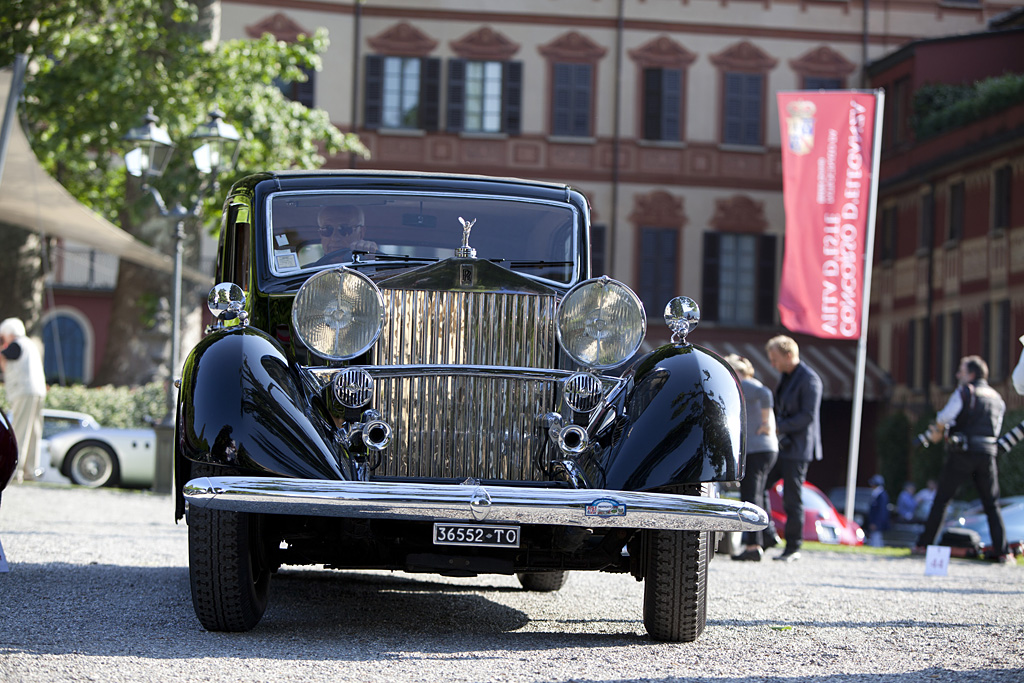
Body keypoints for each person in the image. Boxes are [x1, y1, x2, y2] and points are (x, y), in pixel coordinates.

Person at [914, 355, 1011, 563]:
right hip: (987, 454)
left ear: (972, 374)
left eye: (962, 371)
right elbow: (997, 427)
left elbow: (945, 417)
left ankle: (924, 545)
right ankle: (1002, 551)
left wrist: (939, 431)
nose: (958, 375)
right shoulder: (996, 397)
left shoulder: (965, 391)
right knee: (991, 504)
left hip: (963, 452)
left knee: (941, 500)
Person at [764, 335, 823, 562]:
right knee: (762, 483)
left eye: (775, 359)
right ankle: (767, 533)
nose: (772, 364)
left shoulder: (810, 380)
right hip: (783, 446)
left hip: (797, 449)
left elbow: (807, 417)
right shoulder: (787, 377)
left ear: (789, 355)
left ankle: (793, 547)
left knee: (792, 497)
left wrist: (777, 427)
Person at [724, 354, 778, 562]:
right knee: (758, 494)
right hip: (766, 448)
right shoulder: (751, 385)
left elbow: (766, 395)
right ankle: (764, 537)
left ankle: (753, 545)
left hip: (757, 448)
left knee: (750, 496)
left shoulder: (744, 384)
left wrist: (766, 422)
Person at [0, 317, 47, 484]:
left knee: (19, 430)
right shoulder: (30, 344)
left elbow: (6, 356)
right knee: (34, 431)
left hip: (24, 391)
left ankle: (16, 471)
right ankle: (30, 470)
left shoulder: (17, 344)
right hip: (38, 391)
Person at [866, 474, 890, 547]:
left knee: (877, 539)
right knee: (874, 537)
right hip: (874, 522)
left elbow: (881, 511)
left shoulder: (882, 495)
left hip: (878, 523)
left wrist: (876, 523)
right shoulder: (875, 494)